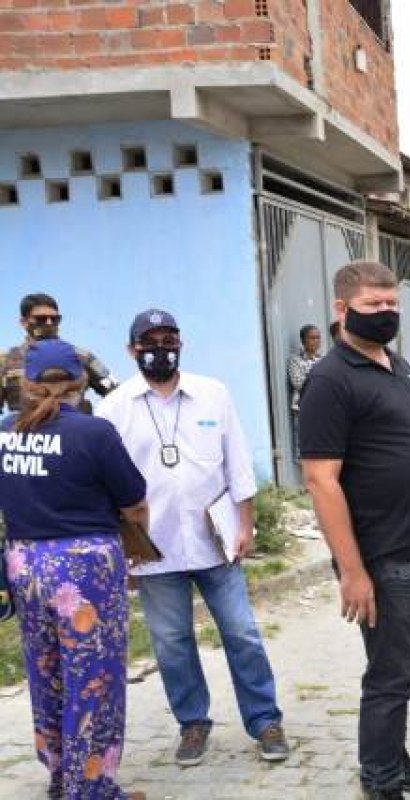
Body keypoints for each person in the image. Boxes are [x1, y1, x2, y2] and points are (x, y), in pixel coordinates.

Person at [97, 309, 290, 768]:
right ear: (131, 349)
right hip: (153, 549)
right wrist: (120, 551)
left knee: (242, 633)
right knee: (171, 642)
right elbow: (105, 485)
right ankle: (193, 724)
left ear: (181, 343)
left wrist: (246, 525)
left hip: (215, 544)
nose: (160, 346)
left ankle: (265, 721)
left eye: (169, 337)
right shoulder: (115, 408)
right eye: (149, 339)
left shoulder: (212, 394)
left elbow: (237, 464)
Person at [298, 261, 410, 800]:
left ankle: (395, 760)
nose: (387, 315)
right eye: (373, 306)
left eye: (392, 305)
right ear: (342, 309)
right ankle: (381, 781)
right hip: (383, 555)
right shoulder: (330, 379)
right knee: (391, 677)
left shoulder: (396, 363)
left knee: (397, 669)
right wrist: (352, 570)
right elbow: (321, 480)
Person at [0, 339, 149, 800]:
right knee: (94, 675)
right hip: (85, 567)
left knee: (45, 671)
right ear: (80, 382)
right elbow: (135, 499)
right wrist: (136, 539)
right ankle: (91, 786)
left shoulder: (5, 432)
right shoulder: (93, 432)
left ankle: (60, 775)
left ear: (24, 384)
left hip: (25, 563)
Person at [1, 292, 118, 414]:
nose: (49, 323)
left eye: (55, 319)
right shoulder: (6, 361)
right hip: (26, 429)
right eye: (41, 319)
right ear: (24, 322)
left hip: (74, 429)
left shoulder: (81, 357)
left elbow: (116, 393)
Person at [287, 324, 322, 459]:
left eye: (318, 338)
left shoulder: (323, 360)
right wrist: (319, 381)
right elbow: (297, 382)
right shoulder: (295, 360)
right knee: (304, 448)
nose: (316, 341)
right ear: (303, 340)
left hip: (322, 408)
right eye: (312, 338)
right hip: (303, 408)